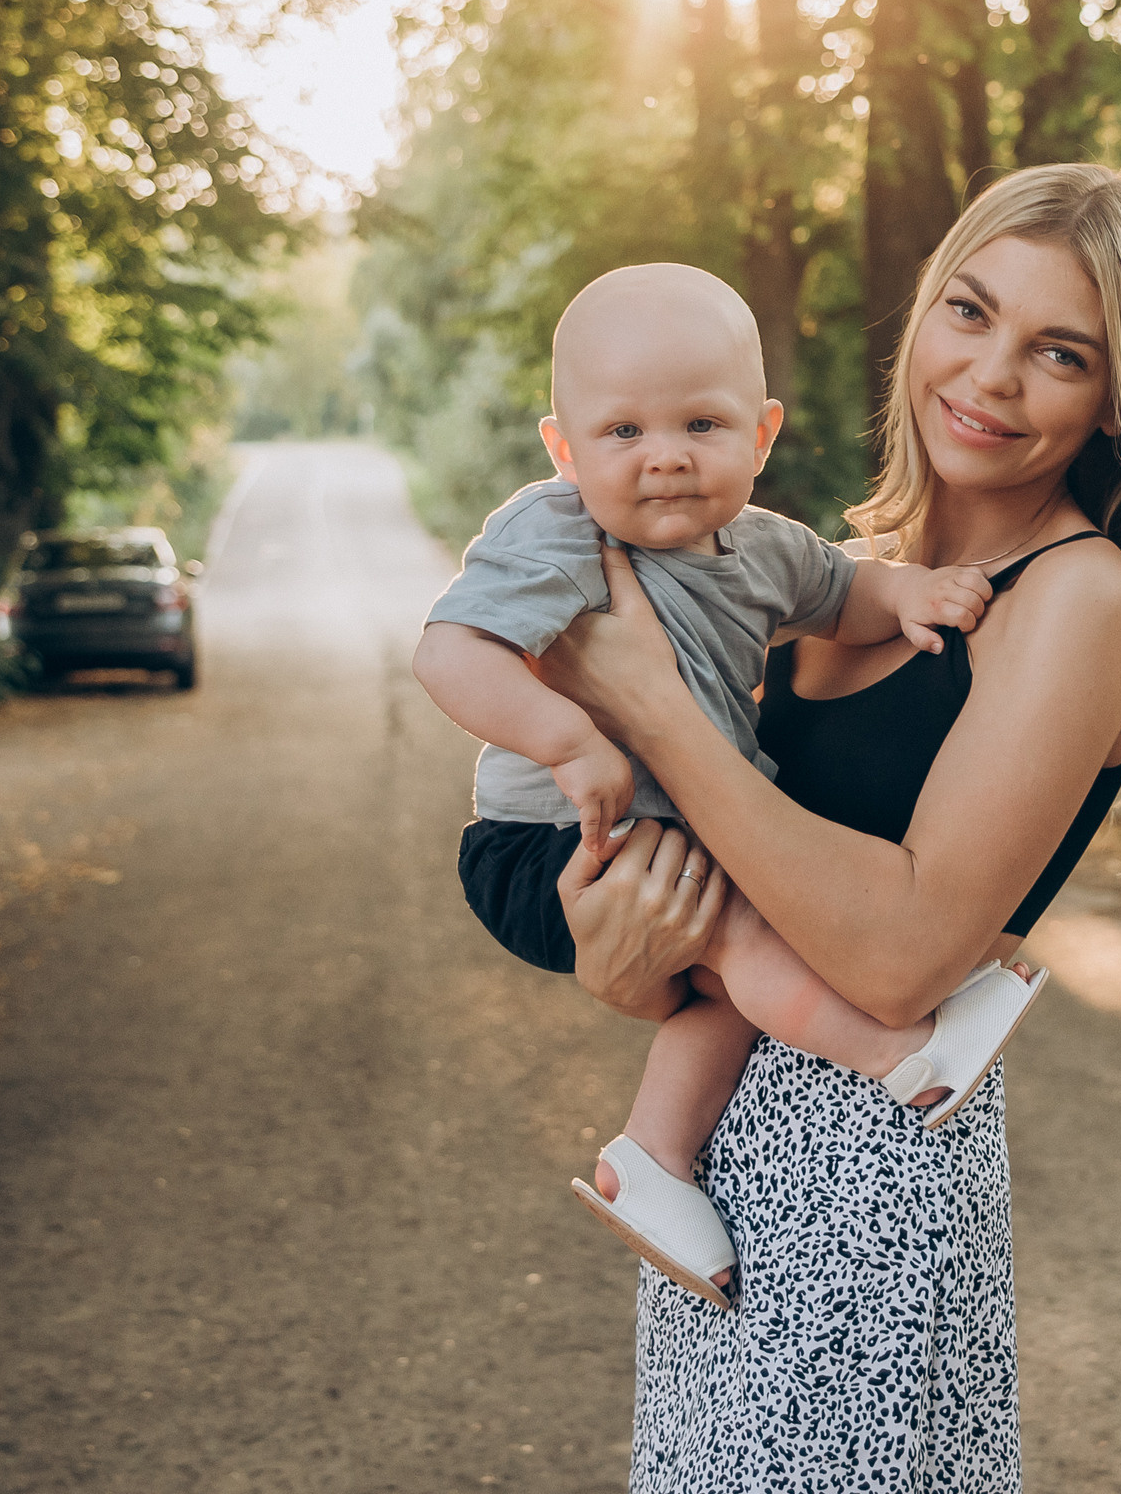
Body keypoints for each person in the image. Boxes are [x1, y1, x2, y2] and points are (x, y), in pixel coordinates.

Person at [517, 163, 1121, 1489]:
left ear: (1117, 393)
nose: (992, 375)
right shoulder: (857, 567)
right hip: (722, 1160)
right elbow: (718, 901)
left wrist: (652, 705)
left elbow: (903, 959)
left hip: (870, 1179)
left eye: (1059, 352)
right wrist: (619, 954)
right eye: (969, 313)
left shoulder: (1077, 597)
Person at [414, 263, 1047, 1306]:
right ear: (563, 447)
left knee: (732, 980)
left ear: (760, 433)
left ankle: (653, 1158)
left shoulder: (761, 547)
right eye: (622, 432)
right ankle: (904, 1053)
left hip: (668, 834)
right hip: (547, 839)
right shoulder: (556, 528)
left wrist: (914, 592)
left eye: (700, 424)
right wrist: (567, 740)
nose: (663, 454)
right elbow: (449, 655)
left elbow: (846, 591)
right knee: (753, 936)